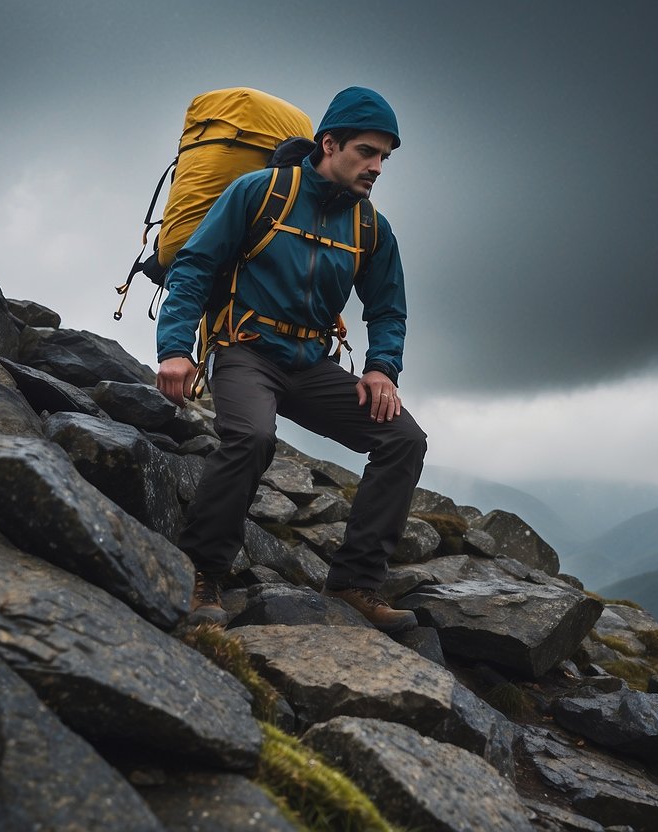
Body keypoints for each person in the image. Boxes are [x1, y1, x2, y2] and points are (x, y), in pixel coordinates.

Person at [154, 86, 426, 633]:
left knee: (403, 439)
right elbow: (194, 268)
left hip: (311, 364)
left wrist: (381, 369)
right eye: (367, 152)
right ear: (330, 143)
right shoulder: (260, 191)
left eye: (384, 158)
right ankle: (202, 574)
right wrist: (176, 351)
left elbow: (389, 308)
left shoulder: (371, 227)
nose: (377, 167)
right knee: (253, 437)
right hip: (245, 350)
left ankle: (354, 583)